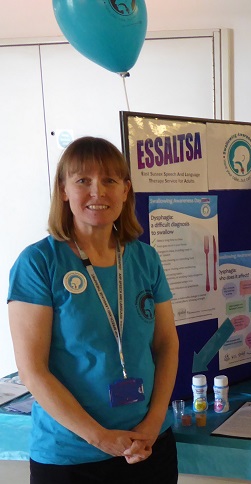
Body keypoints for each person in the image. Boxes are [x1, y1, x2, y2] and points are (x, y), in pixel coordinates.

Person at [7, 137, 180, 483]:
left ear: (126, 190)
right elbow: (32, 371)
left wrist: (152, 422)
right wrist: (102, 438)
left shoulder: (145, 258)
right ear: (64, 190)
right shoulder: (39, 263)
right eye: (83, 180)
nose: (97, 192)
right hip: (73, 457)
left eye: (110, 181)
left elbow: (166, 344)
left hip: (149, 446)